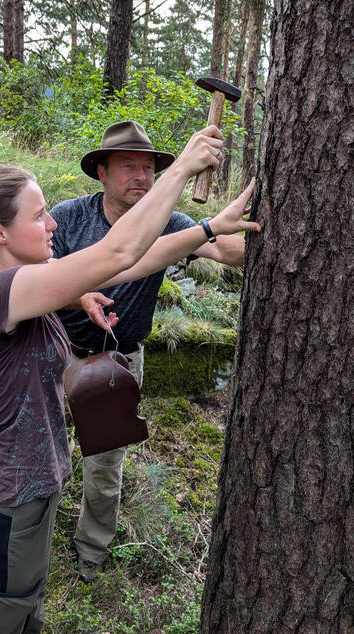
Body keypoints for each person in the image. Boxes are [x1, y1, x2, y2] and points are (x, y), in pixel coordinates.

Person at [0, 126, 258, 633]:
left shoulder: (25, 284)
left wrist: (206, 228)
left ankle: (87, 550)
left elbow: (132, 262)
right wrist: (183, 168)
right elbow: (115, 254)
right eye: (37, 216)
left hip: (26, 501)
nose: (52, 223)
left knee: (23, 615)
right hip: (0, 512)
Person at [50, 121, 248, 583]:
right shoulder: (71, 215)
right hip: (57, 354)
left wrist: (230, 224)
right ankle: (23, 523)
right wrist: (78, 294)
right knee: (40, 444)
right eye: (128, 167)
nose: (141, 176)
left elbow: (231, 252)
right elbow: (42, 275)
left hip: (117, 366)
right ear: (101, 172)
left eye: (148, 167)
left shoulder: (171, 223)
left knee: (104, 463)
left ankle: (91, 550)